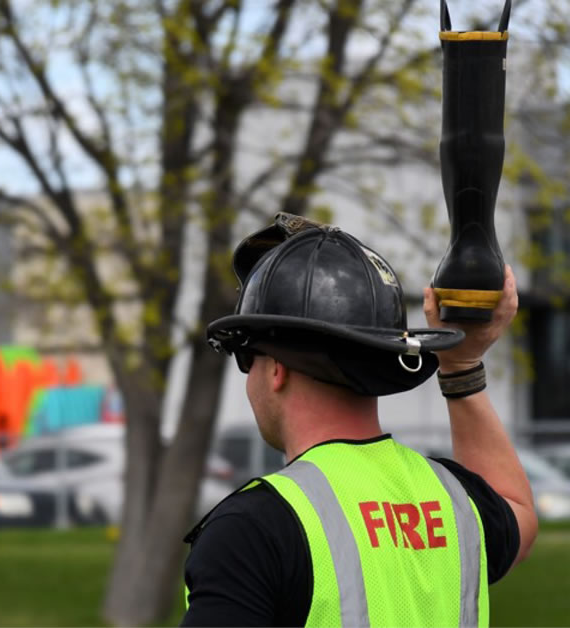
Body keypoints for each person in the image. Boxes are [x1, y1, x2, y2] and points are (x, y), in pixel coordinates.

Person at [183, 214, 538, 627]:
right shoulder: (455, 503)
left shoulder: (250, 531)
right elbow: (519, 513)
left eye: (246, 357)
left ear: (276, 368)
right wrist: (462, 364)